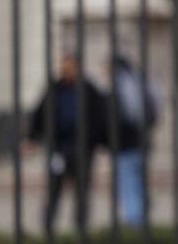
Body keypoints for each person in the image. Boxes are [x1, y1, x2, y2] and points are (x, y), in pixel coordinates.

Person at [26, 52, 109, 236]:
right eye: (64, 65)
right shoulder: (55, 89)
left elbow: (101, 117)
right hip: (58, 147)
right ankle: (48, 228)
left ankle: (81, 229)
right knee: (54, 190)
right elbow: (40, 114)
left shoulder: (88, 89)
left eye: (69, 65)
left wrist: (101, 141)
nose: (66, 69)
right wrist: (32, 138)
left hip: (82, 147)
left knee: (82, 192)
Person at [111, 53, 161, 227]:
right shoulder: (140, 80)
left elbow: (131, 113)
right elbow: (156, 105)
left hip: (127, 140)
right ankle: (141, 209)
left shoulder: (122, 84)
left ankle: (134, 221)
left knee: (127, 180)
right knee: (137, 177)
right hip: (142, 138)